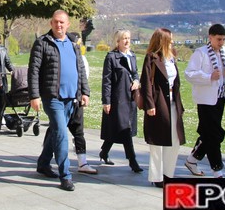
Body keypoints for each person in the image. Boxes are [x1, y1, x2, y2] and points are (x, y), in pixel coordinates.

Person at [29, 10, 90, 192]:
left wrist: (85, 92)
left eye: (62, 22)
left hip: (71, 98)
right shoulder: (42, 43)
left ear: (68, 24)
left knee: (56, 131)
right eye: (56, 22)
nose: (59, 25)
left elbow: (80, 69)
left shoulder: (73, 44)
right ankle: (66, 176)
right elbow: (34, 70)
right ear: (51, 23)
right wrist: (34, 96)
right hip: (52, 97)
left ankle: (43, 163)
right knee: (62, 134)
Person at [183, 24, 225, 178]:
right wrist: (208, 77)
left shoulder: (224, 52)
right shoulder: (201, 53)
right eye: (219, 39)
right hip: (205, 100)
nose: (221, 42)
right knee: (213, 135)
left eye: (224, 39)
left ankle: (192, 160)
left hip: (220, 98)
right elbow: (189, 74)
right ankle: (217, 170)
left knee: (210, 134)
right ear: (210, 37)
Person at [142, 28, 186, 188]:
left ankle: (168, 174)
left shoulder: (172, 56)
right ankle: (156, 176)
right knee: (157, 142)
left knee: (175, 140)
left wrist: (180, 105)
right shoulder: (152, 57)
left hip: (173, 103)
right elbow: (146, 82)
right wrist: (149, 104)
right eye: (170, 39)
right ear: (162, 40)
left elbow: (176, 82)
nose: (172, 41)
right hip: (158, 104)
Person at [99, 29, 142, 173]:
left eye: (129, 38)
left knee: (117, 128)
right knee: (125, 129)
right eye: (124, 38)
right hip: (118, 99)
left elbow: (135, 73)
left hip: (130, 99)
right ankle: (132, 160)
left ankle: (104, 152)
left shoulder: (132, 56)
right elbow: (106, 81)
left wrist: (136, 81)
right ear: (118, 41)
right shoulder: (111, 57)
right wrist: (106, 101)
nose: (127, 41)